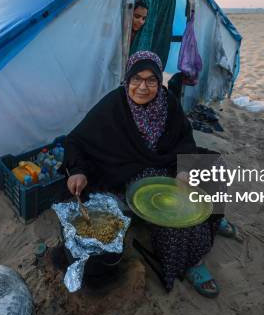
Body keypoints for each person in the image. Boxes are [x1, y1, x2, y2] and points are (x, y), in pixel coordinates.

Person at [62, 50, 222, 297]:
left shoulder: (168, 103)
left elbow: (184, 138)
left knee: (213, 166)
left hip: (168, 161)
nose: (143, 87)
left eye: (151, 80)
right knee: (171, 213)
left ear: (159, 81)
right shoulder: (114, 104)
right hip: (134, 168)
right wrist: (77, 171)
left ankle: (213, 220)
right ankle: (192, 263)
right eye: (136, 79)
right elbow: (75, 140)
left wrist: (183, 170)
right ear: (127, 80)